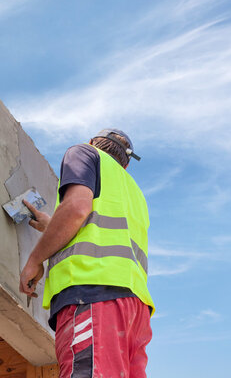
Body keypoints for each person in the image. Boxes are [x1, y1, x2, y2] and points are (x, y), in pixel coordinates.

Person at [19, 128, 154, 378]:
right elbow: (97, 229)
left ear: (92, 142)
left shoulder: (84, 152)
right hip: (136, 311)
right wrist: (53, 227)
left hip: (93, 293)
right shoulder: (135, 194)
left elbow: (77, 208)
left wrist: (35, 260)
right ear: (125, 166)